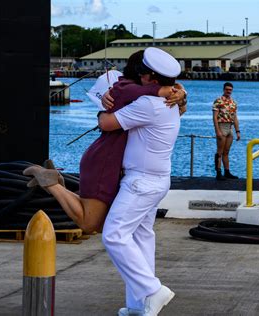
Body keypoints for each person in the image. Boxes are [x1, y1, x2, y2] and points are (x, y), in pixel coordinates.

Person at [23, 50, 186, 234]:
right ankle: (49, 181)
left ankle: (54, 181)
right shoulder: (127, 88)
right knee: (89, 223)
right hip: (105, 160)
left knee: (99, 222)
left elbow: (163, 99)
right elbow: (108, 120)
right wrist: (171, 91)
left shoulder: (140, 92)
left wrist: (179, 92)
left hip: (111, 160)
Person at [97, 47, 182, 316]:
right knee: (141, 237)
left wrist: (103, 108)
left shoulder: (148, 105)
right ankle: (139, 305)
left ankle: (152, 290)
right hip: (157, 180)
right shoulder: (172, 102)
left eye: (142, 76)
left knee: (114, 235)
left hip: (141, 182)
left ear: (150, 79)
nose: (139, 79)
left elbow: (107, 124)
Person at [212, 82, 240, 180]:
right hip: (221, 126)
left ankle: (227, 172)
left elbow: (235, 117)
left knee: (226, 151)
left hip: (230, 127)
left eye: (230, 90)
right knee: (219, 151)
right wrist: (217, 131)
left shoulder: (233, 103)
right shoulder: (218, 101)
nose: (229, 91)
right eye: (227, 89)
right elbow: (214, 117)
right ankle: (218, 172)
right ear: (224, 89)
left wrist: (237, 131)